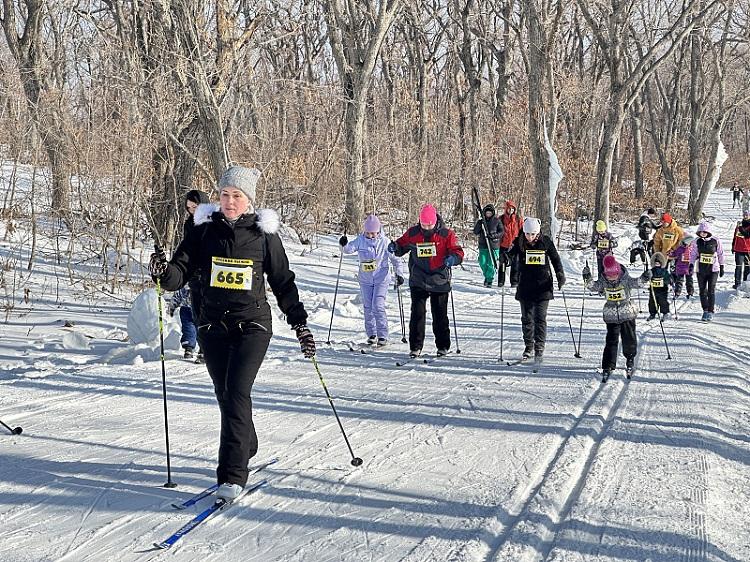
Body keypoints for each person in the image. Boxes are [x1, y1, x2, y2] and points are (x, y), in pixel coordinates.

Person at [149, 165, 315, 501]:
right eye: (225, 194)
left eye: (237, 196)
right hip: (212, 325)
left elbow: (282, 282)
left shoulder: (263, 234)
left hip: (252, 324)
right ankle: (246, 442)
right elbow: (181, 269)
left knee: (237, 392)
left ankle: (232, 476)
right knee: (225, 395)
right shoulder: (202, 230)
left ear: (249, 200)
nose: (229, 201)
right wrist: (164, 274)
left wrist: (300, 324)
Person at [389, 204, 464, 357]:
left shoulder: (446, 234)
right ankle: (415, 346)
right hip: (419, 278)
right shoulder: (413, 233)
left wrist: (453, 258)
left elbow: (458, 252)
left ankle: (443, 346)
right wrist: (394, 247)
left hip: (439, 279)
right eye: (424, 224)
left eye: (429, 224)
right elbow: (401, 246)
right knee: (417, 313)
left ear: (435, 221)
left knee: (439, 314)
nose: (427, 227)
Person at [583, 254, 651, 379]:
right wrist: (587, 278)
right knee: (611, 340)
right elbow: (593, 287)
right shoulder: (604, 281)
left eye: (614, 275)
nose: (612, 278)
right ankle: (608, 364)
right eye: (609, 275)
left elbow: (638, 283)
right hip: (611, 315)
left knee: (629, 338)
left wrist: (645, 277)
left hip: (627, 313)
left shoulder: (625, 279)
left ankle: (630, 358)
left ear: (618, 272)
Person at [339, 214, 404, 346]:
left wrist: (399, 274)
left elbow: (396, 260)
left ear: (379, 231)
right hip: (365, 279)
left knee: (378, 306)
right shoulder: (360, 240)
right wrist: (343, 244)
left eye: (374, 233)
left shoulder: (385, 242)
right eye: (368, 233)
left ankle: (383, 335)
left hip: (382, 278)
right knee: (368, 307)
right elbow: (348, 250)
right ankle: (372, 334)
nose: (371, 236)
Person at [509, 217, 565, 364]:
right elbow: (510, 256)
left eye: (533, 234)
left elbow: (556, 260)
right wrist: (504, 258)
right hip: (525, 286)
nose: (530, 237)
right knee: (527, 318)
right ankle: (529, 346)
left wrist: (560, 275)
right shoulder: (519, 242)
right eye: (527, 234)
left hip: (543, 286)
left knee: (540, 318)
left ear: (538, 233)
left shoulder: (545, 242)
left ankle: (539, 347)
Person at [183, 189, 211, 363]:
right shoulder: (188, 224)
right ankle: (200, 346)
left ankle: (206, 349)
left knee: (208, 313)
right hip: (194, 274)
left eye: (195, 206)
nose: (192, 210)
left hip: (211, 274)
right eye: (189, 207)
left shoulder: (213, 222)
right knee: (195, 313)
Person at [690, 220, 725, 322]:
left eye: (704, 232)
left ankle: (710, 311)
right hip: (701, 269)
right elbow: (693, 254)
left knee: (711, 290)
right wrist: (691, 265)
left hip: (713, 269)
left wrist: (722, 266)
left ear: (708, 232)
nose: (702, 234)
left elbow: (720, 253)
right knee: (702, 291)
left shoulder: (715, 240)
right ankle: (705, 310)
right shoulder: (697, 241)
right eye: (701, 232)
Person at [473, 204, 504, 287]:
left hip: (493, 245)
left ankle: (489, 279)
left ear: (493, 213)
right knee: (482, 262)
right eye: (487, 213)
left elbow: (501, 232)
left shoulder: (497, 221)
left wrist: (493, 235)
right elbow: (475, 232)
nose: (488, 214)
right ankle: (487, 276)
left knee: (491, 263)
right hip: (483, 245)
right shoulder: (481, 222)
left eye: (490, 213)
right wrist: (479, 225)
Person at [498, 200, 523, 287]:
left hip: (514, 245)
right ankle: (501, 281)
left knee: (515, 264)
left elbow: (522, 231)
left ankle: (514, 282)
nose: (511, 210)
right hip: (503, 245)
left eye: (513, 209)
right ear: (506, 209)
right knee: (502, 264)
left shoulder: (518, 219)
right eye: (509, 208)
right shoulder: (501, 219)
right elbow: (496, 230)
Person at [169, 286, 197, 358]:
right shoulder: (186, 284)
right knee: (188, 328)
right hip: (186, 309)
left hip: (201, 308)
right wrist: (172, 306)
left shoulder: (205, 279)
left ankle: (204, 350)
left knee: (203, 328)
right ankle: (189, 347)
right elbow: (178, 295)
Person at [647, 252, 672, 321]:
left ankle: (665, 313)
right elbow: (647, 277)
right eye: (655, 263)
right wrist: (647, 276)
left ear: (661, 263)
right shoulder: (651, 271)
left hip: (662, 290)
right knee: (652, 302)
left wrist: (669, 281)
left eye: (658, 263)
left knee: (663, 301)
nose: (657, 264)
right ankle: (652, 313)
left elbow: (668, 278)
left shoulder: (664, 271)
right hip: (653, 289)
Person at [669, 235, 696, 299]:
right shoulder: (680, 248)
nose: (684, 245)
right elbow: (675, 253)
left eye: (686, 244)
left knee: (689, 281)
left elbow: (696, 255)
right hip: (680, 267)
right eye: (683, 243)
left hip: (689, 267)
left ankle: (690, 293)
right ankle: (677, 293)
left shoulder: (692, 249)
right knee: (679, 281)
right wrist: (670, 253)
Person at [731, 211, 750, 289]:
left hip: (748, 250)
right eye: (744, 215)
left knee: (747, 267)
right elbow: (735, 236)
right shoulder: (739, 225)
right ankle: (737, 283)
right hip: (738, 249)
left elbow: (747, 235)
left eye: (747, 215)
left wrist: (740, 227)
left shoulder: (743, 226)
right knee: (738, 267)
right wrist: (733, 246)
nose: (745, 216)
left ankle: (745, 283)